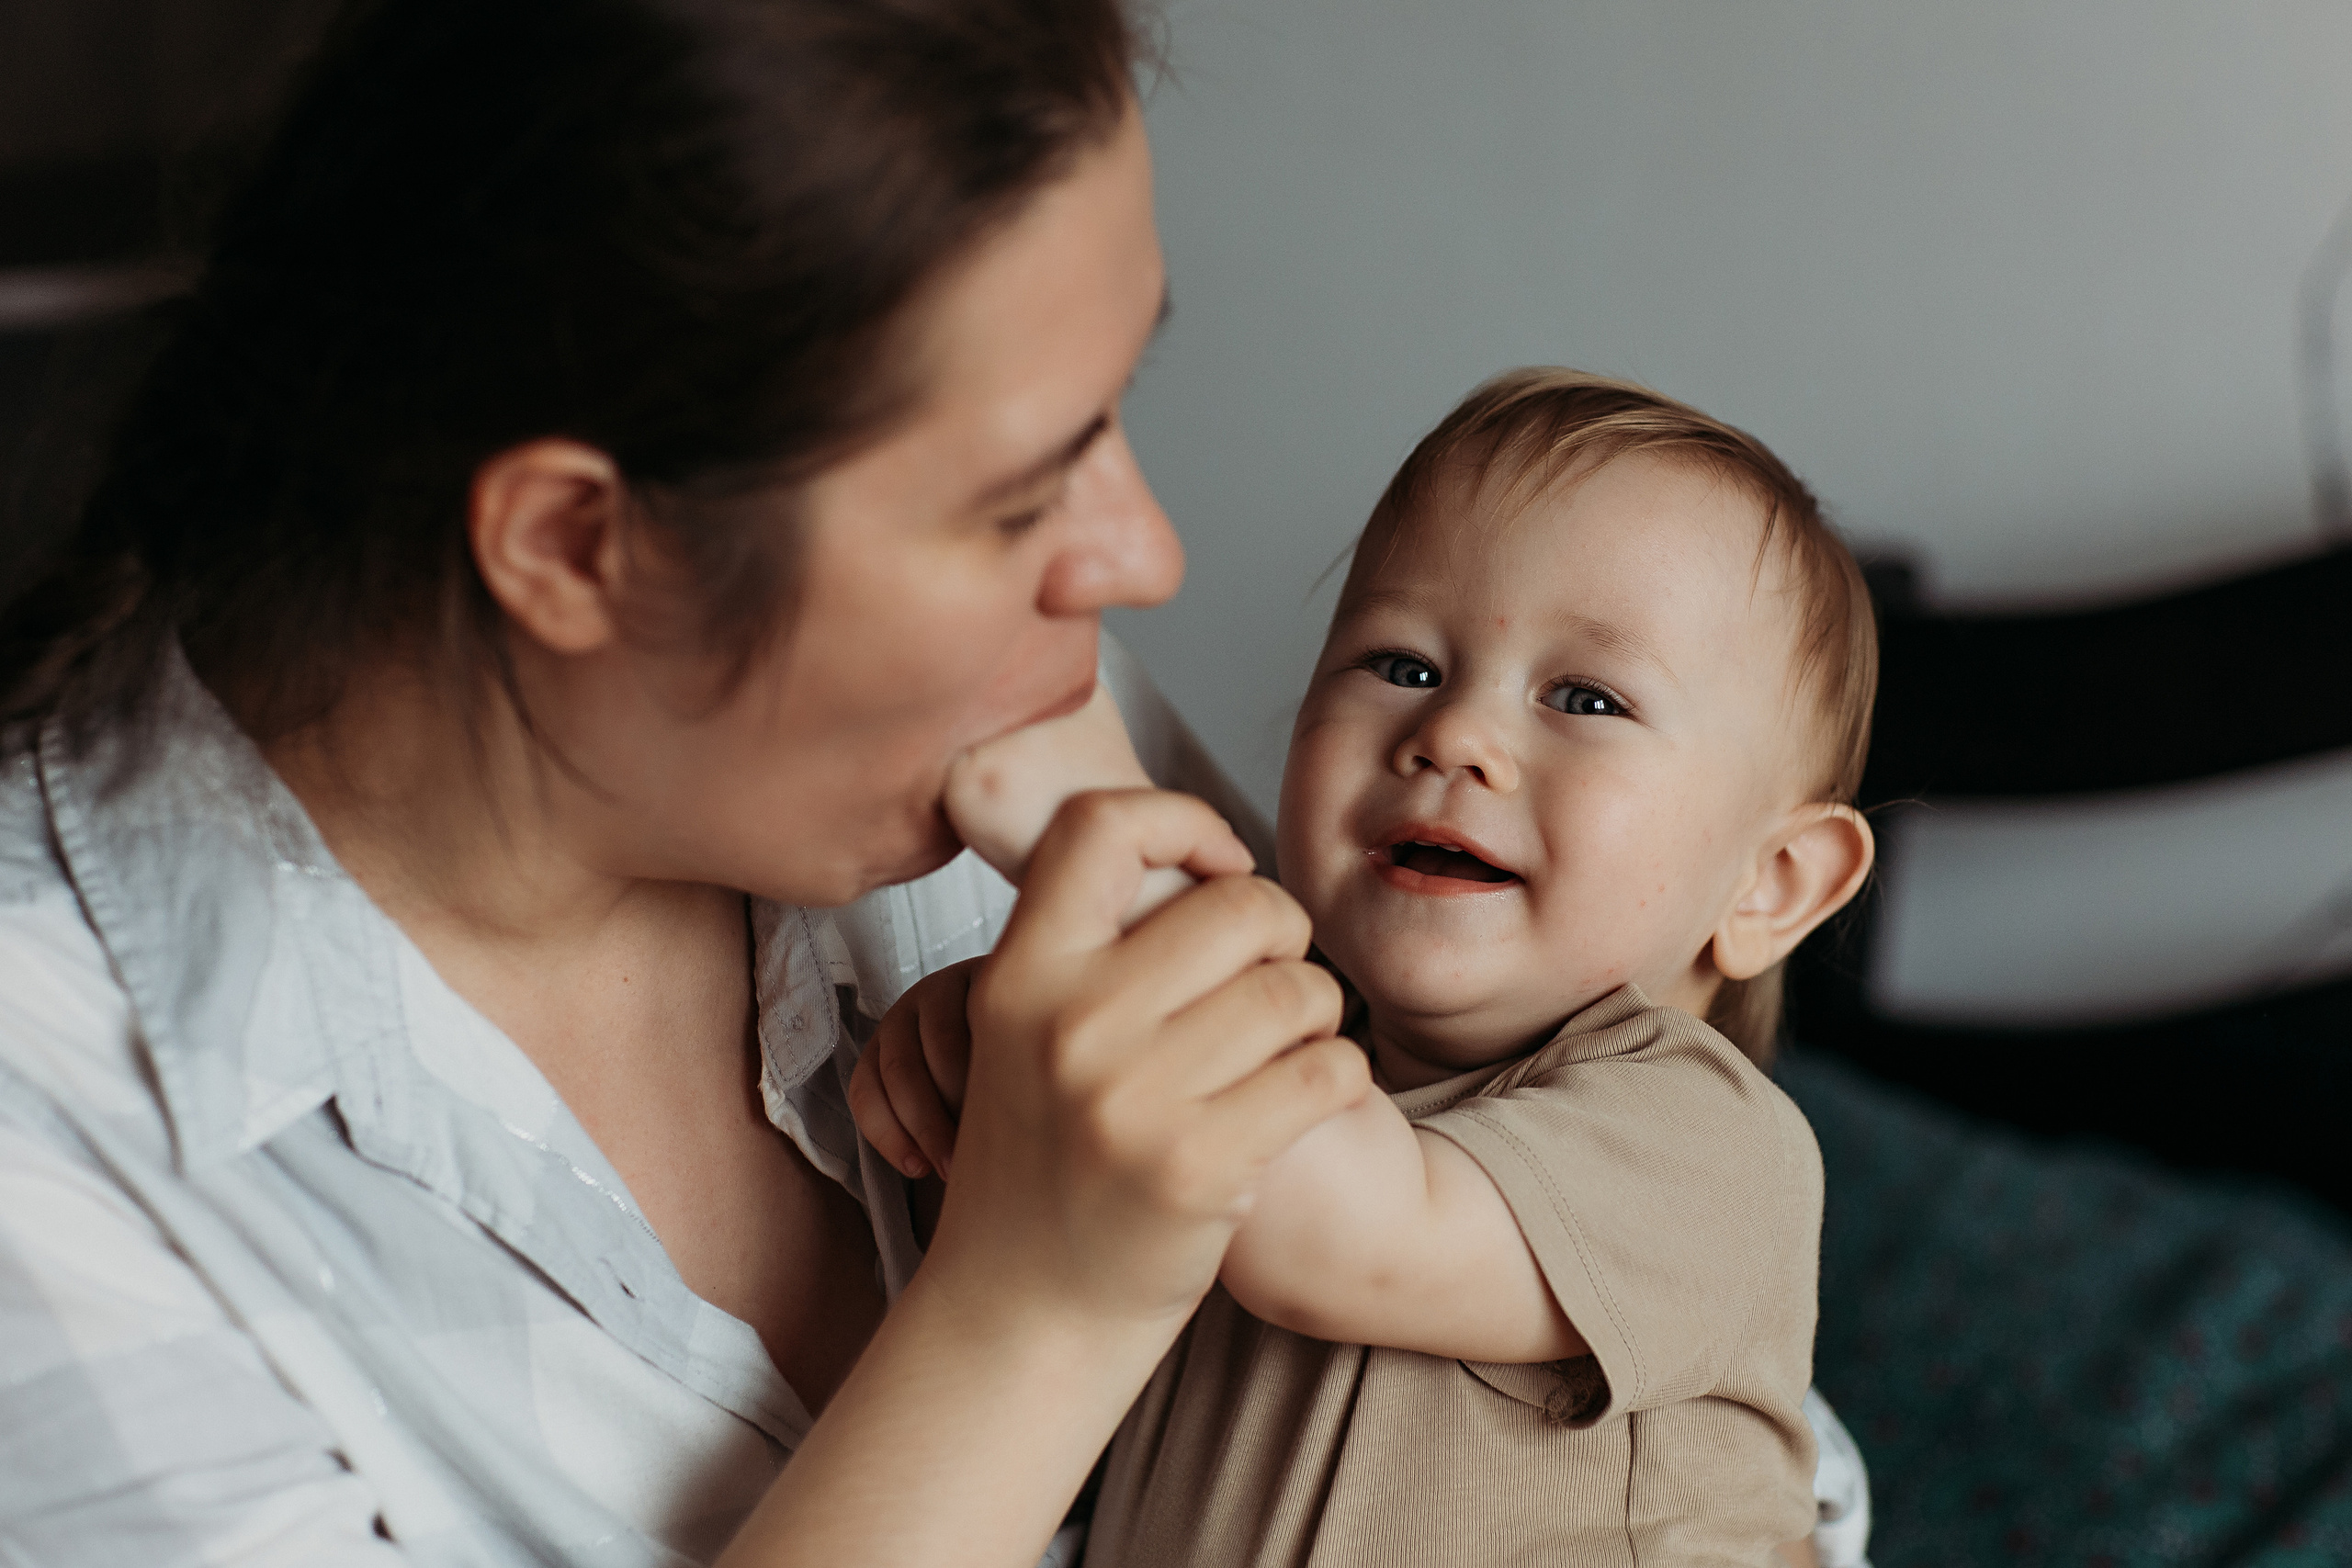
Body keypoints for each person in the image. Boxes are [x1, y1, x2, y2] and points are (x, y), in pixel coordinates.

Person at [0, 3, 1373, 1564]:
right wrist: (1035, 1314)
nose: (1142, 557)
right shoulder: (48, 1162)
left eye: (1112, 407)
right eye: (1014, 501)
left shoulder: (1011, 724)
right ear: (580, 548)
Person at [854, 369, 1880, 1564]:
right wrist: (993, 1078)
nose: (1454, 735)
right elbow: (1047, 1333)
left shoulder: (1710, 1147)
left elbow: (1332, 1229)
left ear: (1773, 884)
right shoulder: (1302, 1036)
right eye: (1403, 665)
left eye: (1587, 697)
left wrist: (1112, 851)